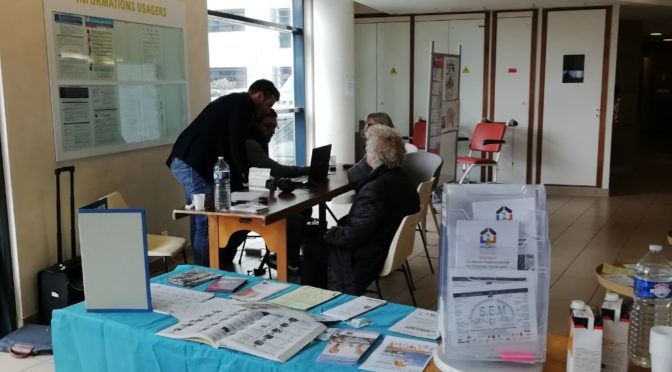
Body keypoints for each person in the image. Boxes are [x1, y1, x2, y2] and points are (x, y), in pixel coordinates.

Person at [166, 79, 280, 267]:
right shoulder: (243, 104)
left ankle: (200, 270)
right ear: (259, 96)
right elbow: (235, 146)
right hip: (192, 163)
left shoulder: (233, 102)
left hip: (185, 160)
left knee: (199, 217)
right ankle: (207, 272)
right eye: (268, 105)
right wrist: (244, 178)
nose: (267, 110)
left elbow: (229, 146)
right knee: (207, 219)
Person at [301, 125, 420, 295]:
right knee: (324, 236)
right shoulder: (403, 179)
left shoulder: (375, 189)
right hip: (383, 244)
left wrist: (331, 233)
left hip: (367, 256)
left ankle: (312, 298)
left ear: (373, 157)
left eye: (367, 152)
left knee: (311, 246)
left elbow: (352, 237)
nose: (365, 156)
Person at [244, 109, 310, 272]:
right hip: (247, 198)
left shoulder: (259, 142)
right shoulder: (251, 143)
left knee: (304, 209)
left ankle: (285, 256)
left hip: (258, 193)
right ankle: (285, 260)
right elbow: (276, 169)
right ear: (256, 124)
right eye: (268, 125)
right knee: (295, 219)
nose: (273, 130)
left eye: (275, 126)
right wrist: (305, 169)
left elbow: (267, 171)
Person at [347, 112, 395, 185]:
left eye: (369, 125)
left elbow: (353, 176)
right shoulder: (395, 147)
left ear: (382, 126)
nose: (364, 129)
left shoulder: (380, 150)